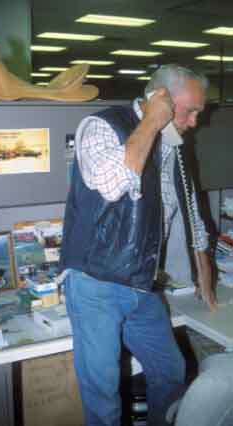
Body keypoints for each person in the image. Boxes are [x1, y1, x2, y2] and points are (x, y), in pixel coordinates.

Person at [59, 64, 218, 426]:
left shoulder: (172, 147)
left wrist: (203, 266)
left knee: (171, 371)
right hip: (95, 282)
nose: (194, 122)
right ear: (158, 99)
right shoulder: (102, 126)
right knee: (103, 395)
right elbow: (111, 184)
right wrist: (150, 122)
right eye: (189, 111)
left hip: (140, 280)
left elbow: (189, 206)